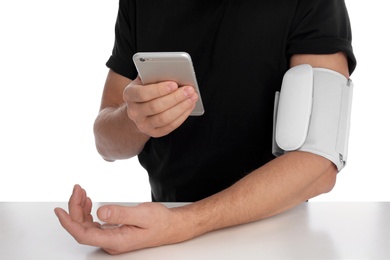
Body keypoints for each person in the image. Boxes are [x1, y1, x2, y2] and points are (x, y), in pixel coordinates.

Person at [54, 0, 356, 255]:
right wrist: (136, 118)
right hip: (164, 238)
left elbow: (319, 160)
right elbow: (104, 140)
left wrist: (183, 224)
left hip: (277, 235)